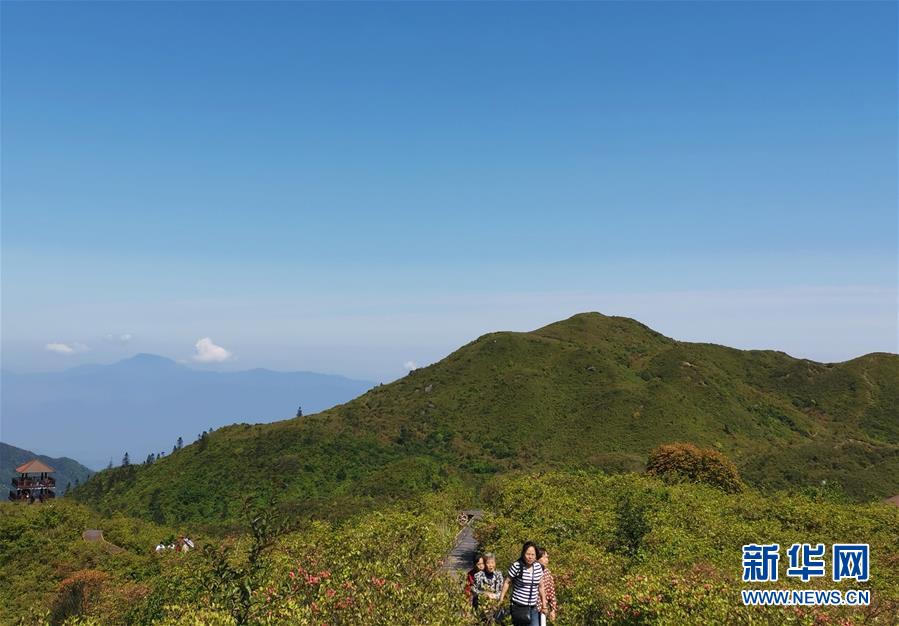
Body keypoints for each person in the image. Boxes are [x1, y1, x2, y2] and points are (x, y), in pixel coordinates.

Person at [498, 542, 545, 626]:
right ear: (523, 554)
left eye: (532, 554)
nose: (530, 557)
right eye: (528, 554)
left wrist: (544, 605)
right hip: (518, 607)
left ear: (536, 556)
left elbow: (541, 587)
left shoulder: (538, 567)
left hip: (533, 607)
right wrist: (501, 599)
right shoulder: (517, 566)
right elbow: (507, 582)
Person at [536, 547, 557, 624]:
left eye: (547, 558)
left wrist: (553, 609)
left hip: (542, 610)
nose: (547, 560)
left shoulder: (547, 572)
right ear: (537, 558)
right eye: (545, 557)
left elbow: (551, 593)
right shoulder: (530, 571)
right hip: (530, 608)